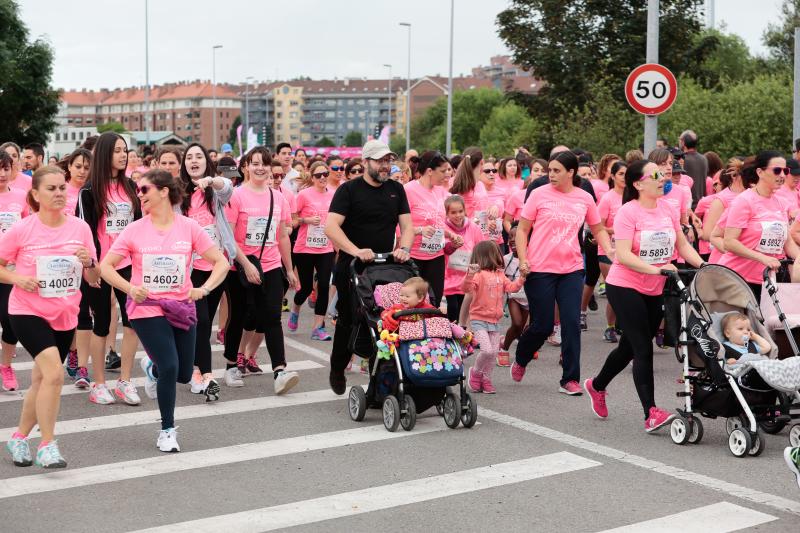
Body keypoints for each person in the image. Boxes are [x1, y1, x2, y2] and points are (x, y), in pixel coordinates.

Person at [100, 170, 228, 452]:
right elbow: (106, 266)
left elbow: (221, 262)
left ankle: (151, 367)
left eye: (144, 189)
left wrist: (203, 289)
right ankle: (167, 430)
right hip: (146, 308)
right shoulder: (134, 230)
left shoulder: (188, 227)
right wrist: (130, 288)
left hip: (182, 307)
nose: (140, 195)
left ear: (164, 191)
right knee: (171, 366)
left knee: (182, 373)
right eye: (138, 190)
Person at [583, 159, 704, 433]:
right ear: (638, 184)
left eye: (662, 174)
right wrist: (658, 268)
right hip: (624, 285)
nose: (662, 178)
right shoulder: (628, 212)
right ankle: (650, 412)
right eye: (655, 175)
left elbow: (682, 244)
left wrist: (705, 267)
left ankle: (597, 385)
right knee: (642, 348)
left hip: (654, 286)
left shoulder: (669, 208)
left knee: (628, 347)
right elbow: (623, 255)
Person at [2, 166, 100, 468]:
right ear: (35, 194)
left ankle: (18, 437)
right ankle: (47, 444)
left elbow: (95, 276)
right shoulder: (22, 229)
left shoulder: (80, 229)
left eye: (61, 188)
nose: (59, 193)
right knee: (55, 375)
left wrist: (89, 262)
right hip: (27, 311)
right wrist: (18, 279)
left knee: (42, 380)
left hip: (65, 313)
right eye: (51, 189)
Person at [512, 150, 613, 395]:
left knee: (571, 323)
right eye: (550, 170)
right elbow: (523, 230)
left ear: (571, 172)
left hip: (571, 269)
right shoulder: (538, 194)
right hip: (539, 268)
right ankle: (521, 357)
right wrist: (524, 259)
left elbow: (598, 229)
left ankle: (570, 379)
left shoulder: (584, 198)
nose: (551, 175)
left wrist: (610, 251)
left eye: (557, 171)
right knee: (543, 325)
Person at [325, 140, 412, 395]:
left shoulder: (396, 189)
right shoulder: (349, 190)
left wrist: (404, 249)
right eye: (380, 161)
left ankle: (380, 381)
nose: (385, 166)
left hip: (385, 268)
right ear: (366, 162)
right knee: (349, 321)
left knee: (383, 322)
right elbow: (331, 227)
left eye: (388, 161)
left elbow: (407, 227)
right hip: (352, 267)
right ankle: (337, 367)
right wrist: (355, 250)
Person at [222, 146, 301, 394]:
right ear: (245, 166)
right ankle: (232, 364)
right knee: (239, 316)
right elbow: (229, 238)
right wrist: (245, 264)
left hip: (270, 265)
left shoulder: (278, 197)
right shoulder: (236, 196)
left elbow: (283, 237)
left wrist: (289, 269)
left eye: (264, 164)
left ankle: (280, 370)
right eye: (255, 163)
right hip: (240, 268)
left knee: (272, 318)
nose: (260, 168)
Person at [76, 132, 142, 405]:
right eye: (117, 150)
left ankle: (124, 381)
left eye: (125, 150)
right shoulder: (89, 191)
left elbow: (139, 226)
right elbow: (84, 232)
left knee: (132, 322)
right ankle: (99, 383)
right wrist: (90, 267)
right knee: (101, 324)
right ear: (104, 154)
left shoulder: (130, 186)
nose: (123, 155)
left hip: (129, 264)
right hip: (100, 266)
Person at [179, 143, 235, 401]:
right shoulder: (178, 193)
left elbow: (228, 189)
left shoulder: (215, 191)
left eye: (198, 156)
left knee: (205, 323)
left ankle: (196, 367)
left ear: (206, 162)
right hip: (191, 268)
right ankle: (204, 373)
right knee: (200, 320)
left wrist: (211, 181)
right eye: (189, 157)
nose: (193, 161)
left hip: (217, 265)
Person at [718, 151, 799, 301]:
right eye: (777, 170)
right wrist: (762, 257)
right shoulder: (744, 201)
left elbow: (786, 241)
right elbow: (729, 242)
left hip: (768, 279)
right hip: (740, 279)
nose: (782, 175)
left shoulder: (780, 202)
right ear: (760, 172)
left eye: (785, 171)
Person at [463, 241, 525, 394]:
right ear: (488, 256)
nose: (500, 256)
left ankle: (486, 379)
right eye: (497, 253)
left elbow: (512, 288)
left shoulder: (500, 275)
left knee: (493, 353)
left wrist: (522, 277)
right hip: (479, 319)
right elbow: (466, 288)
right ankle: (476, 372)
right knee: (487, 350)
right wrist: (470, 275)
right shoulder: (478, 275)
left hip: (494, 321)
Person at [288, 161, 336, 340]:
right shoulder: (303, 195)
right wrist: (306, 220)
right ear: (312, 177)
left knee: (323, 286)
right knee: (307, 287)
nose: (322, 177)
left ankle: (317, 327)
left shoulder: (333, 195)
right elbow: (292, 220)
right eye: (318, 175)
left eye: (325, 174)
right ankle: (295, 308)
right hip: (304, 248)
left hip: (326, 247)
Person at [404, 150, 452, 306]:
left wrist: (452, 236)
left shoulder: (442, 192)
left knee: (434, 301)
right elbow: (399, 225)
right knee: (413, 303)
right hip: (414, 255)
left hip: (436, 255)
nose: (447, 175)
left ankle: (430, 331)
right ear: (430, 171)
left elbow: (441, 222)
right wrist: (419, 230)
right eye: (443, 171)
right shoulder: (409, 190)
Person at [0, 151, 29, 392]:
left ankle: (6, 366)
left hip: (9, 270)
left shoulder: (21, 197)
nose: (2, 173)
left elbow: (29, 228)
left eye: (6, 168)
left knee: (10, 323)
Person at [595, 160, 627, 342]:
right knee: (614, 290)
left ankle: (623, 323)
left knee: (626, 290)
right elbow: (597, 226)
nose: (624, 178)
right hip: (608, 250)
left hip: (628, 250)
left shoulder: (633, 196)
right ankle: (610, 327)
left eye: (626, 174)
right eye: (621, 174)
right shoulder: (608, 198)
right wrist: (617, 230)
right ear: (613, 176)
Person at [443, 195, 483, 323]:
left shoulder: (473, 227)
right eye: (453, 212)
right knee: (452, 308)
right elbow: (443, 247)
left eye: (460, 211)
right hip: (448, 277)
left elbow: (480, 247)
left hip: (467, 277)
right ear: (447, 213)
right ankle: (452, 334)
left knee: (464, 311)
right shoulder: (444, 229)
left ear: (465, 211)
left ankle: (462, 335)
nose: (458, 215)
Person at [498, 223, 530, 366]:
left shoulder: (533, 257)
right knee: (516, 324)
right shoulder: (505, 259)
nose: (512, 239)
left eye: (516, 236)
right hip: (514, 297)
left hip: (530, 298)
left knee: (526, 328)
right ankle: (504, 349)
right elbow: (499, 280)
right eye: (510, 236)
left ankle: (526, 348)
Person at [679, 130, 708, 208]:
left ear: (683, 142)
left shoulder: (682, 160)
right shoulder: (704, 159)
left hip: (687, 205)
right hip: (700, 203)